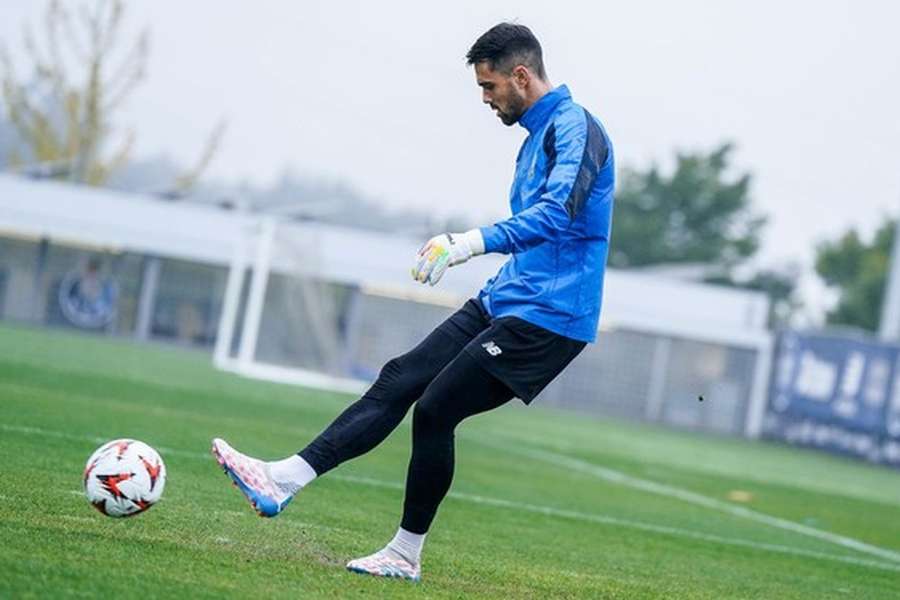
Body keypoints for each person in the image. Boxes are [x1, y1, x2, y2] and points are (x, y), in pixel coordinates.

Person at [211, 22, 614, 582]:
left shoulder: (575, 129)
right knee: (401, 378)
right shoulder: (534, 139)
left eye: (490, 86)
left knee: (435, 409)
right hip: (506, 299)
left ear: (521, 76)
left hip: (550, 319)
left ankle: (404, 554)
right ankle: (282, 480)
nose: (485, 99)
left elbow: (558, 213)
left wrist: (469, 242)